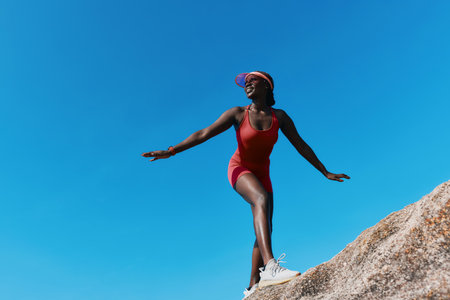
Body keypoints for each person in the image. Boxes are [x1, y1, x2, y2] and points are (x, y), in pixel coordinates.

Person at [142, 71, 350, 299]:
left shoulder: (280, 117)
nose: (247, 85)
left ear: (267, 86)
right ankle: (271, 267)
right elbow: (204, 133)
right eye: (245, 83)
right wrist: (171, 151)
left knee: (266, 226)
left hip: (263, 174)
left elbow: (300, 144)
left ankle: (252, 286)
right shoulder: (238, 113)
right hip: (239, 169)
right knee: (260, 199)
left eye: (253, 81)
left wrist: (324, 171)